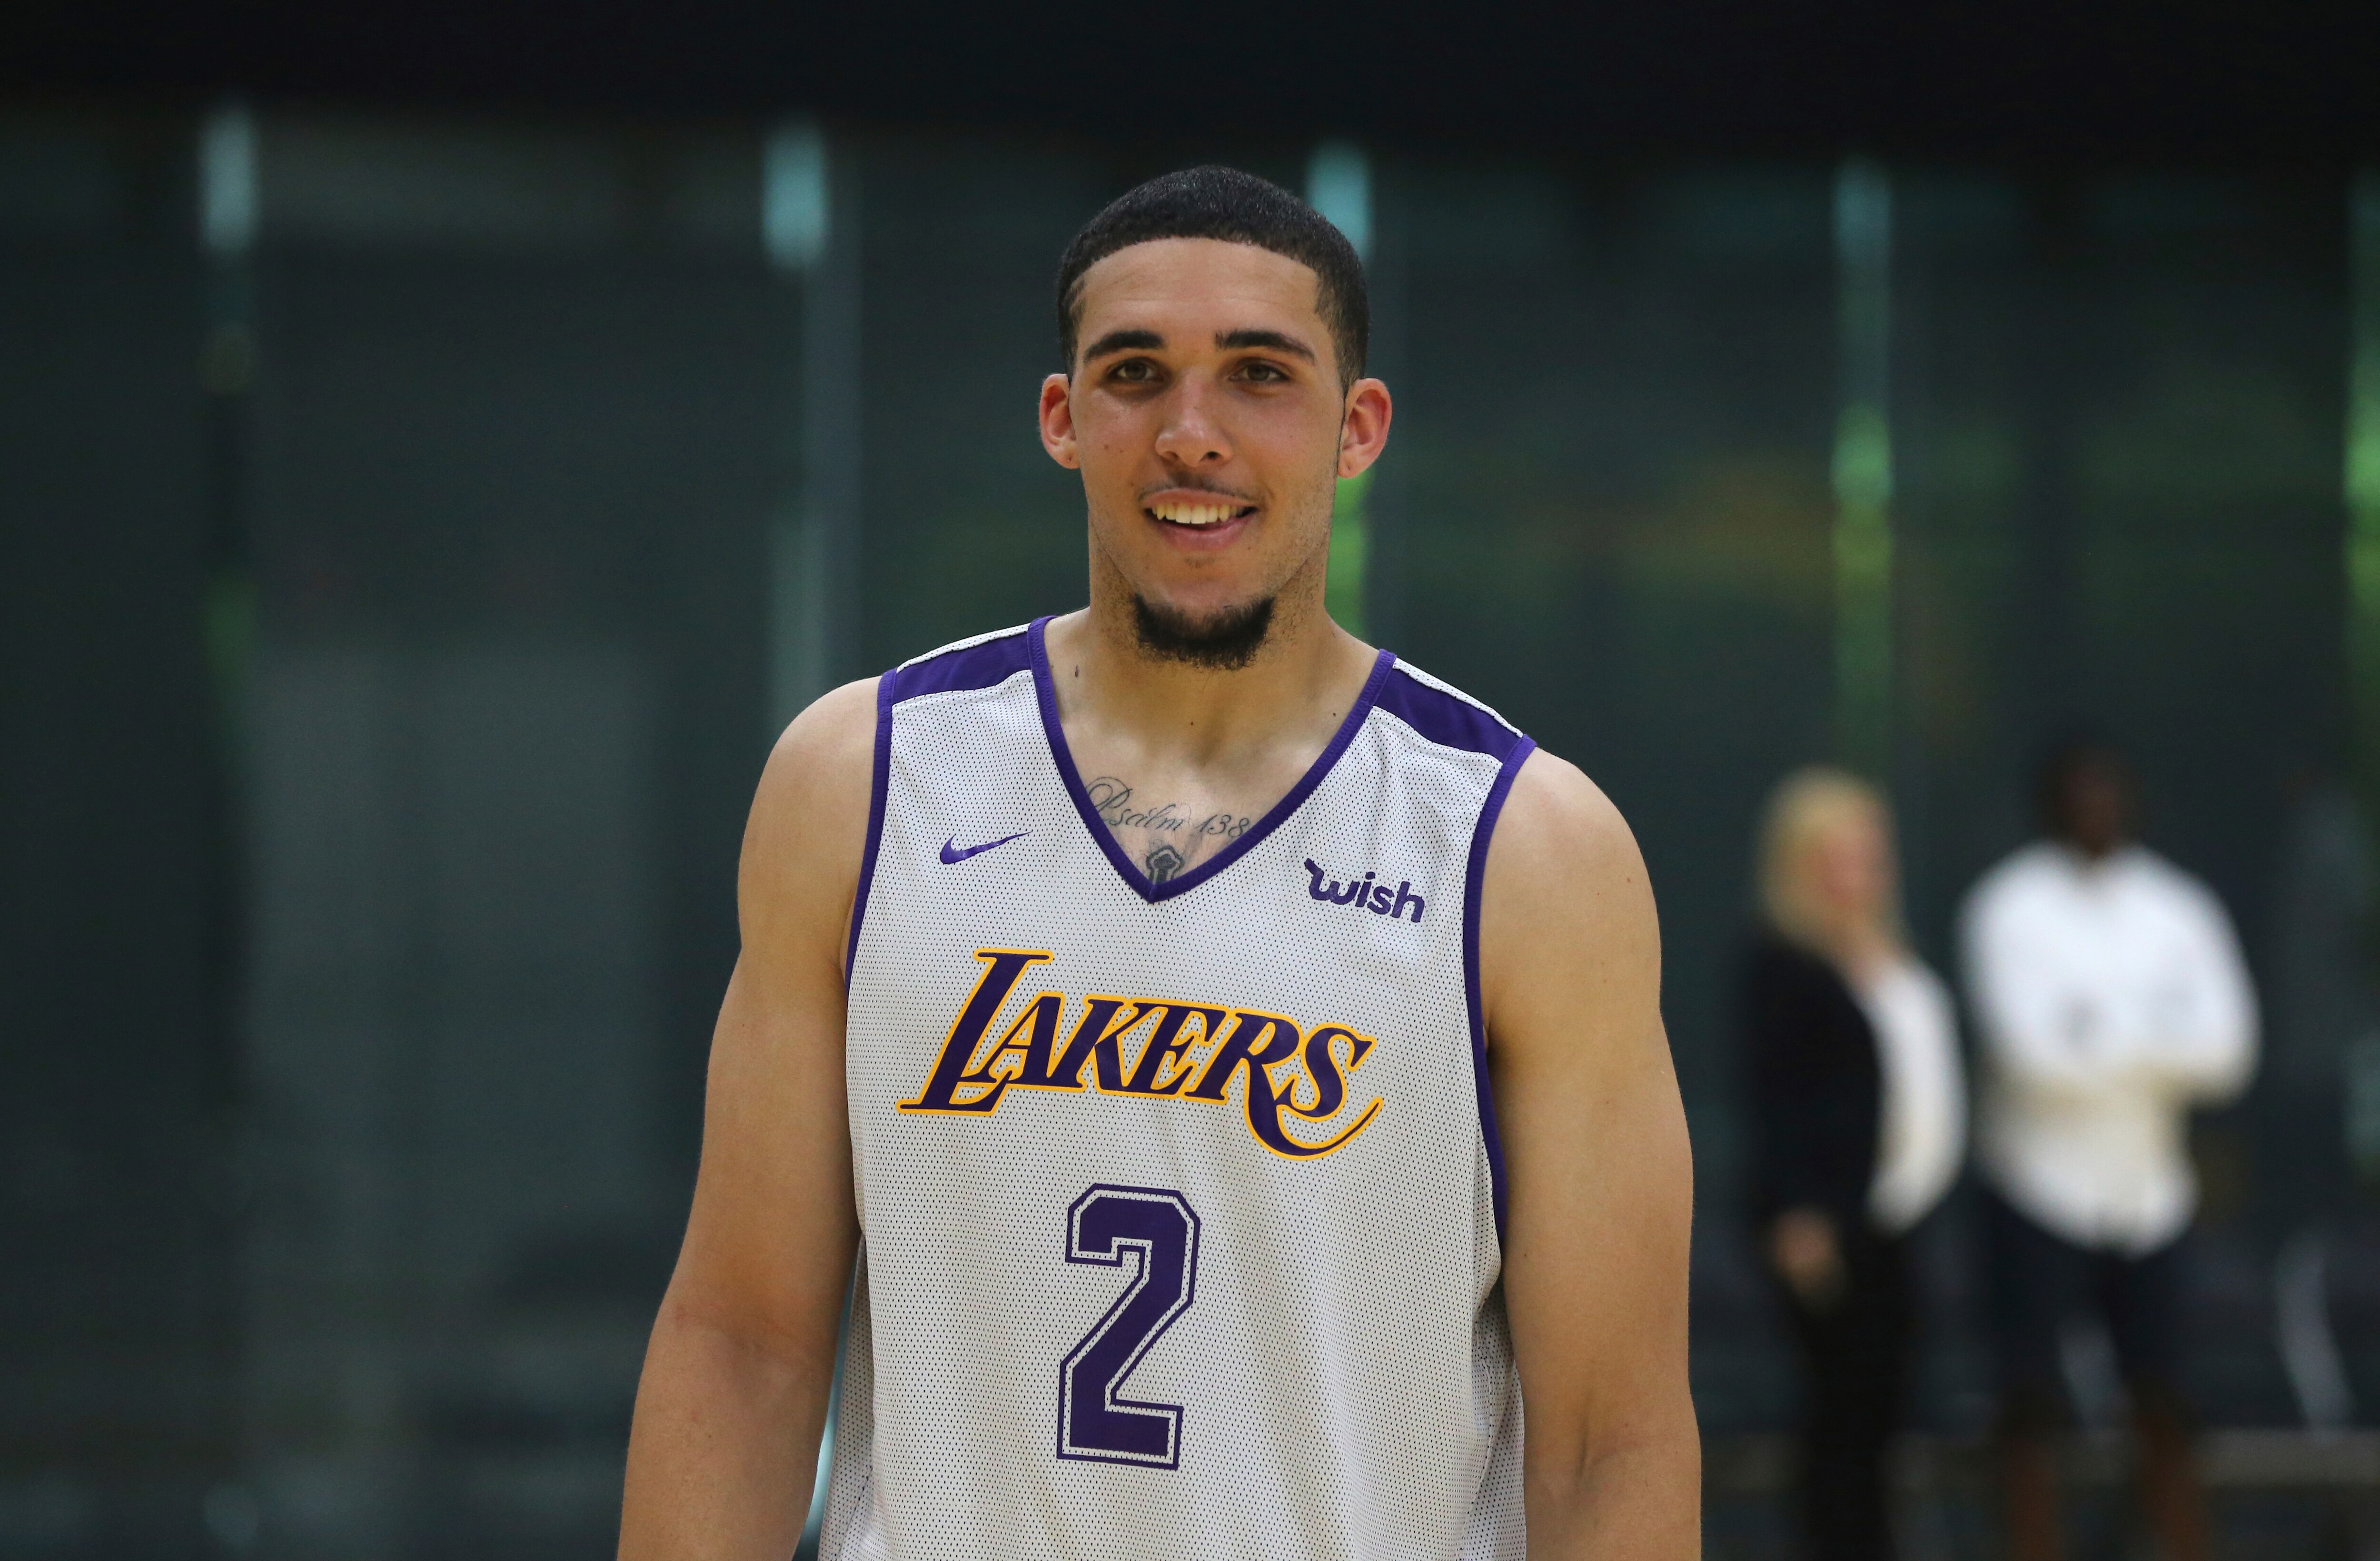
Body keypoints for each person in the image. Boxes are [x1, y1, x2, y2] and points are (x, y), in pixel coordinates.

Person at [615, 167, 1699, 1559]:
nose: (1193, 433)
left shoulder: (1527, 850)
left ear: (1356, 428)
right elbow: (744, 1346)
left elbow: (1612, 1440)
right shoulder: (860, 783)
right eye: (1137, 373)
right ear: (1064, 417)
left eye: (1261, 375)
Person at [1961, 741, 2257, 1561]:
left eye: (2109, 792)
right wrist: (2157, 1042)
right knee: (2028, 1407)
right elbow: (2031, 1061)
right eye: (2079, 793)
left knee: (2165, 1402)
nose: (2097, 808)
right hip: (2036, 1190)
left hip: (2151, 1194)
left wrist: (2098, 1032)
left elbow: (2229, 1055)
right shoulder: (2008, 908)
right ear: (2050, 803)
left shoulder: (2179, 908)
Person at [1742, 768, 1965, 1561]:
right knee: (1843, 1419)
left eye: (1870, 853)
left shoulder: (1892, 959)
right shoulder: (1787, 968)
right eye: (1838, 856)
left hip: (1899, 1218)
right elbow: (1779, 1101)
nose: (1860, 872)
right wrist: (1800, 1216)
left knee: (1884, 1417)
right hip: (1832, 1227)